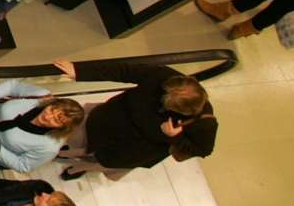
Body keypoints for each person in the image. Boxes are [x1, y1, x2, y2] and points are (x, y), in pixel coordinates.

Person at [52, 59, 216, 180]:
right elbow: (124, 70)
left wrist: (174, 136)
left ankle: (79, 167)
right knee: (79, 137)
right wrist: (80, 71)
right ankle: (66, 152)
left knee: (98, 159)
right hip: (107, 120)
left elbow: (203, 149)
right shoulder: (163, 76)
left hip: (129, 149)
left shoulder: (205, 123)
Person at [0, 81, 85, 173]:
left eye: (57, 120)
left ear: (62, 128)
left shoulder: (50, 147)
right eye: (52, 109)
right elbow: (13, 86)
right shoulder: (41, 96)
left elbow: (23, 165)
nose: (48, 117)